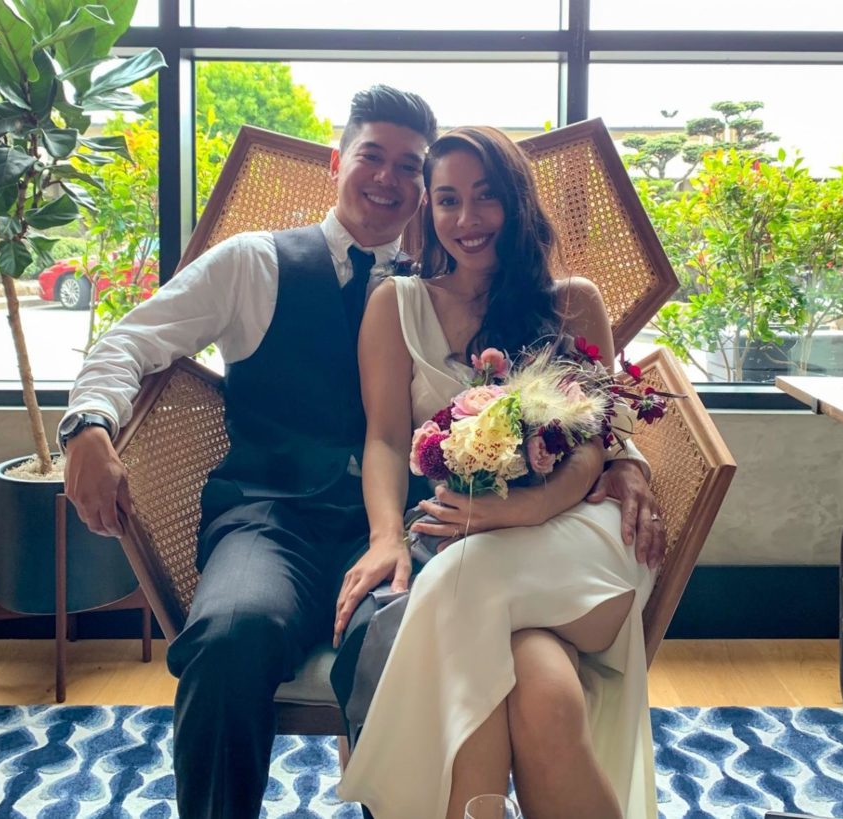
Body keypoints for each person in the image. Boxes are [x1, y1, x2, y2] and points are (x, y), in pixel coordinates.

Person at [58, 86, 438, 818]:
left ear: (423, 189)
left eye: (410, 167)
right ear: (337, 161)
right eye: (373, 157)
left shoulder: (435, 287)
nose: (389, 179)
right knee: (231, 635)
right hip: (270, 521)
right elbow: (129, 340)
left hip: (397, 525)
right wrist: (88, 427)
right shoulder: (252, 263)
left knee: (398, 643)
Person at [332, 126, 663, 819]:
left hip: (575, 544)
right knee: (541, 687)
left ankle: (389, 793)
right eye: (447, 200)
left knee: (460, 575)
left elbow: (596, 444)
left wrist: (522, 511)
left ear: (517, 203)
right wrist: (387, 534)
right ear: (428, 209)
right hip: (469, 540)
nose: (466, 220)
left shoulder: (574, 301)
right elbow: (387, 439)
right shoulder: (394, 305)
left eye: (486, 198)